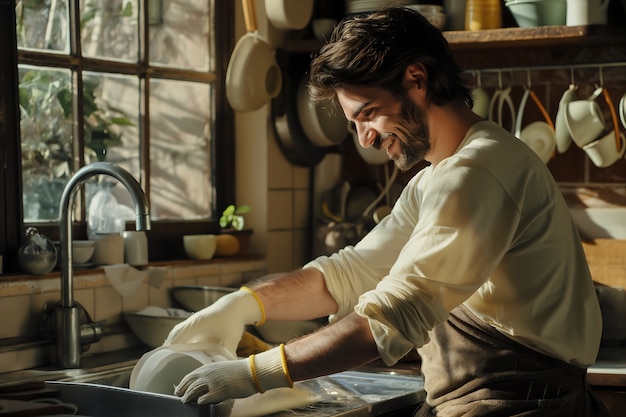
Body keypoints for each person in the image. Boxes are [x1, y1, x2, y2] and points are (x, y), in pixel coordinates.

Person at [164, 7, 610, 416]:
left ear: (416, 79)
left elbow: (390, 320)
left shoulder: (478, 172)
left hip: (522, 404)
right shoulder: (437, 177)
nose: (365, 140)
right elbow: (351, 272)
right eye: (354, 123)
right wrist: (245, 304)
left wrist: (255, 373)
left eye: (369, 114)